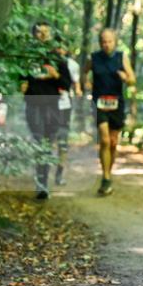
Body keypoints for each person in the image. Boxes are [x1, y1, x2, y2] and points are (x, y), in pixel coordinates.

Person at [21, 21, 71, 200]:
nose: (42, 36)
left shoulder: (58, 58)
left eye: (45, 33)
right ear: (33, 35)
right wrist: (22, 84)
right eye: (38, 32)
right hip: (33, 105)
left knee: (48, 144)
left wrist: (55, 75)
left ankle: (43, 184)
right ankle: (40, 183)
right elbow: (19, 77)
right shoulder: (26, 56)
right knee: (39, 141)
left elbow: (67, 84)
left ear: (50, 35)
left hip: (52, 106)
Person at [83, 28, 135, 196]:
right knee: (104, 140)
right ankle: (105, 177)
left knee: (113, 143)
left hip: (116, 104)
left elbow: (133, 80)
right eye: (103, 41)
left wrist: (125, 77)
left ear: (115, 41)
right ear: (100, 42)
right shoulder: (94, 58)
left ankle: (108, 174)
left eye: (109, 41)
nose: (106, 44)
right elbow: (84, 73)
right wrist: (86, 83)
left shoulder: (121, 57)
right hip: (99, 103)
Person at [54, 36, 83, 186]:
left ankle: (59, 173)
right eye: (56, 46)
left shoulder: (72, 65)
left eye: (62, 46)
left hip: (64, 106)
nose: (59, 49)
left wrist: (78, 92)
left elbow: (76, 85)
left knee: (62, 141)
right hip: (46, 106)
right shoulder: (47, 63)